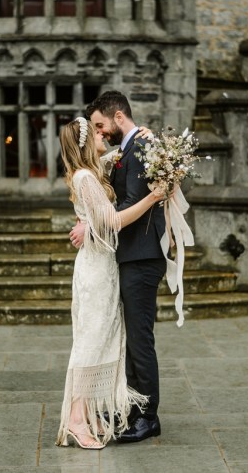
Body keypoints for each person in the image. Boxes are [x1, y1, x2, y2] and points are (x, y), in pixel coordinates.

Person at [56, 116, 166, 450]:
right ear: (87, 141)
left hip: (103, 265)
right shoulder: (87, 176)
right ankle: (76, 419)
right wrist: (153, 197)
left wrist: (147, 136)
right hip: (96, 270)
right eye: (97, 132)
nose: (104, 135)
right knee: (90, 341)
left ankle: (87, 413)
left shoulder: (90, 170)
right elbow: (113, 221)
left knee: (99, 338)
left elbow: (123, 151)